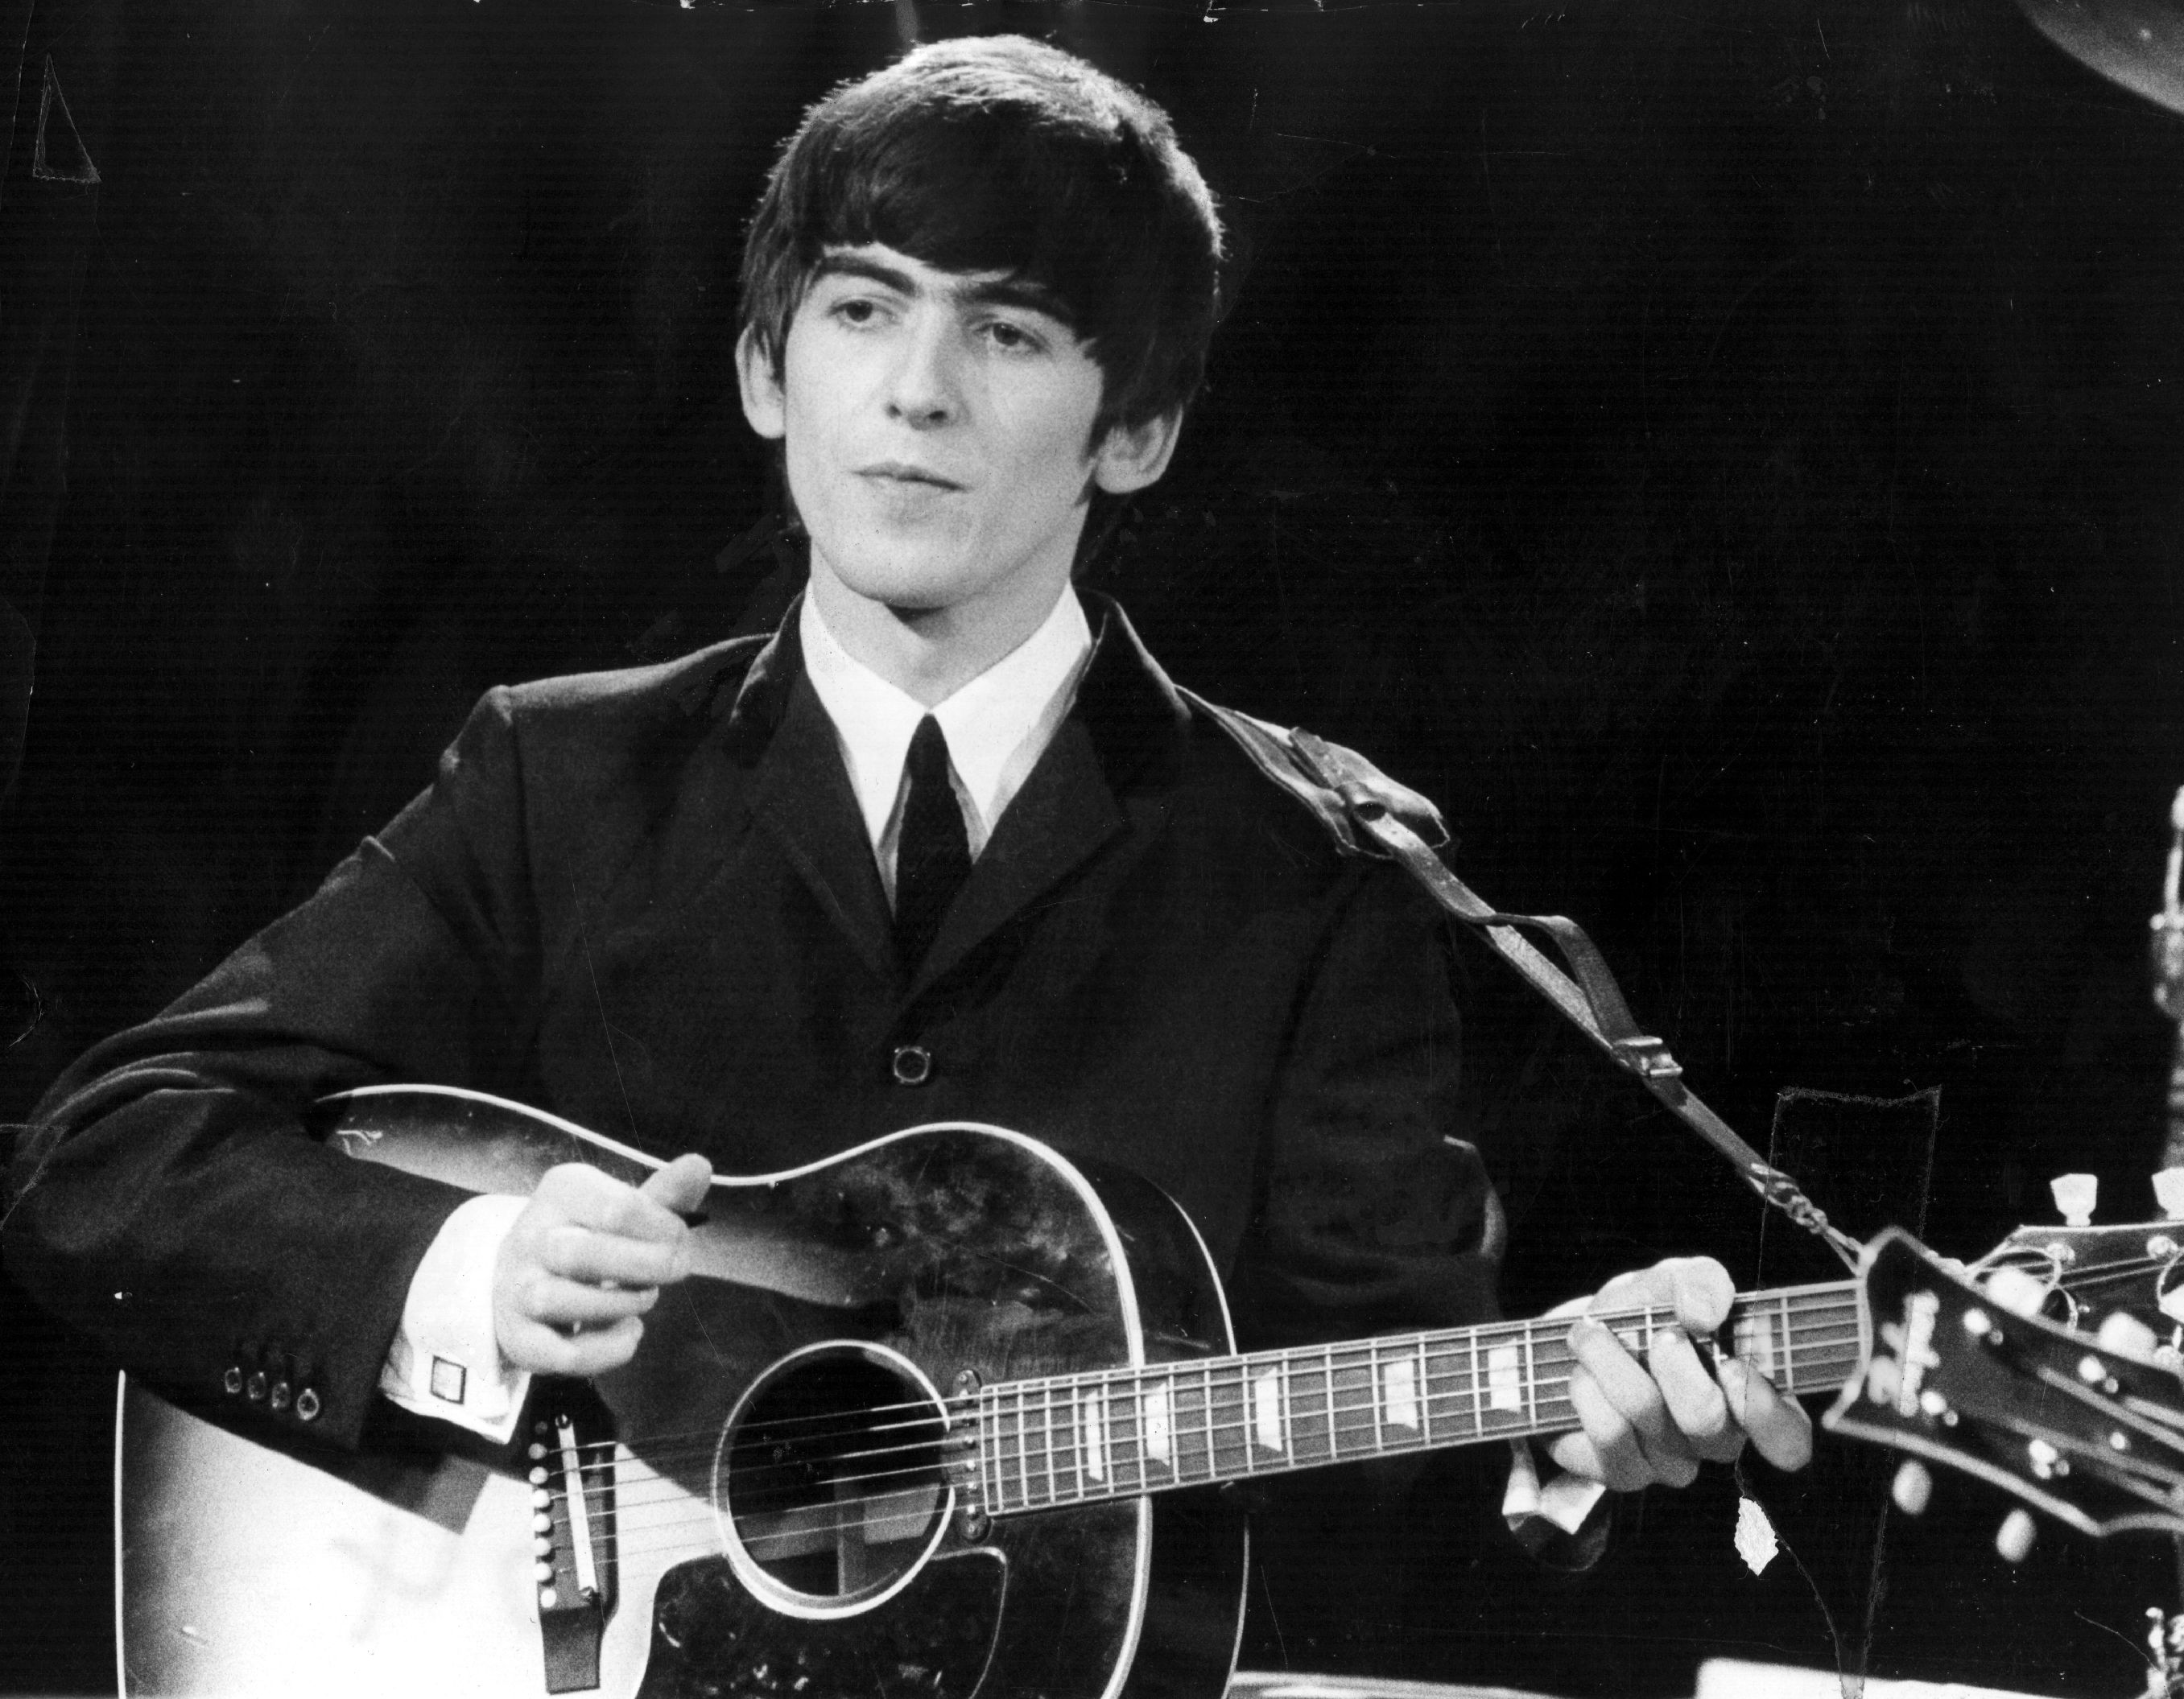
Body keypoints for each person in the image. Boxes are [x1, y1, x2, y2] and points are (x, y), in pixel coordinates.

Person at [2, 30, 1807, 1643]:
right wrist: (480, 1274)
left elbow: (1366, 1485)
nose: (918, 390)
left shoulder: (1324, 868)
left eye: (1008, 330)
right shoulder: (558, 779)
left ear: (1143, 429)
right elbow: (104, 1158)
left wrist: (1561, 1437)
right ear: (767, 376)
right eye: (862, 308)